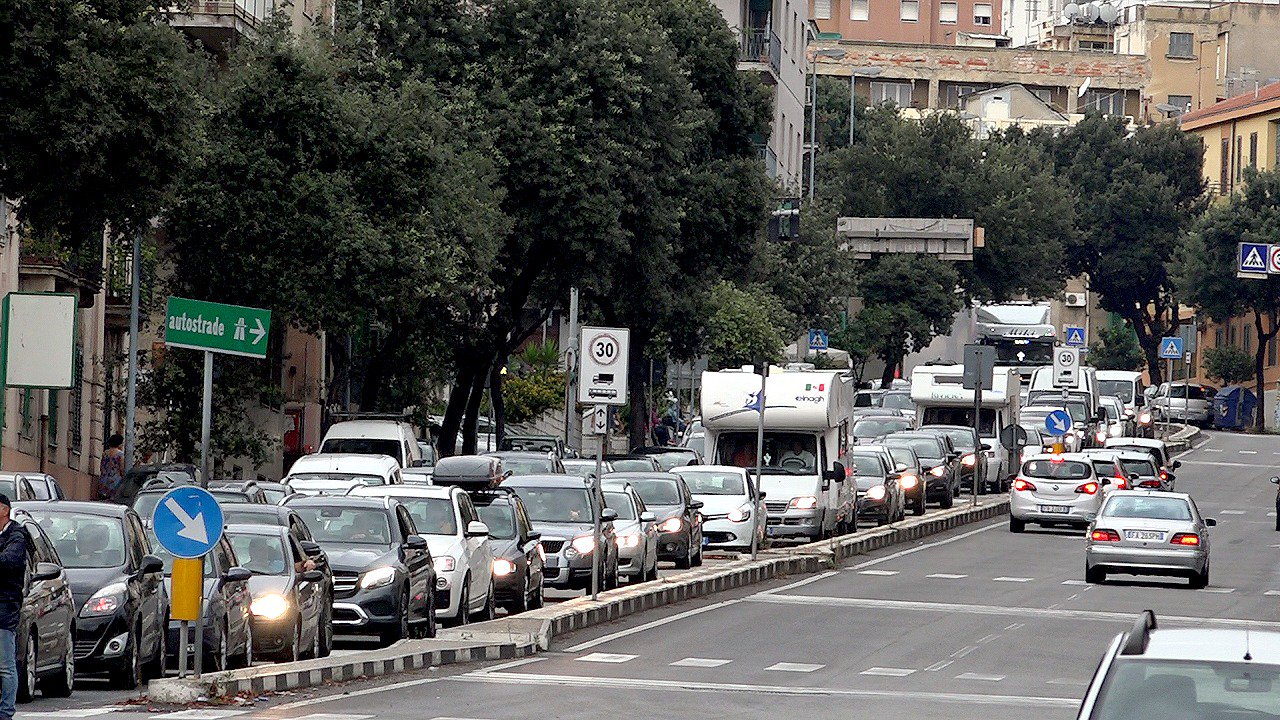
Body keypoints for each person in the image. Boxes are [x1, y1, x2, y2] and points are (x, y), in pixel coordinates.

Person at [0, 494, 28, 720]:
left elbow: (9, 562)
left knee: (5, 666)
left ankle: (6, 712)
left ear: (4, 510)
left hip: (4, 607)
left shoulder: (16, 536)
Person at [98, 433, 126, 501]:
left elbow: (101, 467)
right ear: (119, 443)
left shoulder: (105, 453)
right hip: (115, 480)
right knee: (113, 499)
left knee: (103, 499)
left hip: (104, 480)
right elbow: (121, 468)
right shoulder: (120, 454)